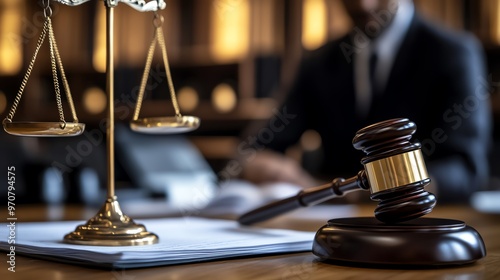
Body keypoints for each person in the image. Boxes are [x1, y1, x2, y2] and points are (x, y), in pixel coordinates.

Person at [237, 0, 493, 203]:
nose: (362, 5)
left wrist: (381, 187)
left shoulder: (454, 53)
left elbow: (466, 168)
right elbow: (256, 146)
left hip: (421, 227)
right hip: (332, 232)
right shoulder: (318, 63)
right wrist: (258, 163)